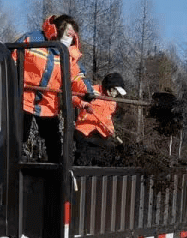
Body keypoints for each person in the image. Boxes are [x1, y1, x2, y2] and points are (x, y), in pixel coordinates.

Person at [14, 14, 97, 163]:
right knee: (19, 135)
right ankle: (14, 165)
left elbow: (76, 77)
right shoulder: (32, 40)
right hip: (24, 97)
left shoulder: (68, 56)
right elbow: (11, 59)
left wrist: (87, 91)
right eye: (67, 35)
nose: (69, 39)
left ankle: (57, 172)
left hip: (48, 102)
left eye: (72, 36)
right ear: (56, 31)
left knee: (53, 141)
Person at [74, 72, 126, 165]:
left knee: (109, 151)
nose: (115, 94)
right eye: (114, 90)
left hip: (100, 133)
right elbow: (73, 97)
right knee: (85, 155)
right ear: (109, 86)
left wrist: (111, 129)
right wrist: (84, 104)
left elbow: (107, 118)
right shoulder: (92, 91)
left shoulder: (113, 102)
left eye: (117, 92)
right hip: (85, 130)